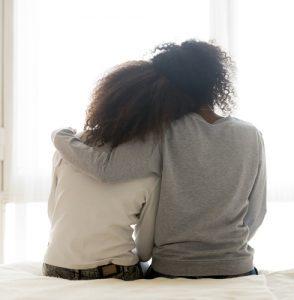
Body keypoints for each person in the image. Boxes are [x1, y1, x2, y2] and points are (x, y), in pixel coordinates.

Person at [52, 39, 267, 279]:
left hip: (173, 268)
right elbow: (256, 213)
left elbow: (106, 170)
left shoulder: (162, 132)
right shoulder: (251, 135)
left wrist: (61, 138)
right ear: (216, 82)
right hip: (236, 266)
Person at [43, 131, 160, 281]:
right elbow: (144, 252)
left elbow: (53, 213)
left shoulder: (64, 152)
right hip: (113, 271)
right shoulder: (150, 172)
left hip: (54, 265)